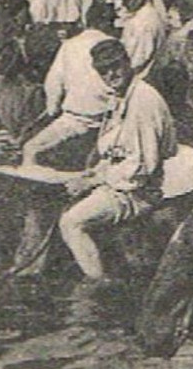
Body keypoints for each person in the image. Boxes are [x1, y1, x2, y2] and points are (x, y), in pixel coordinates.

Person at [57, 38, 178, 281]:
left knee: (71, 222)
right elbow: (116, 150)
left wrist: (94, 181)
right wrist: (92, 173)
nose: (111, 74)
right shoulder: (120, 97)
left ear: (128, 62)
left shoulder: (144, 101)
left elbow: (142, 167)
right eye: (103, 70)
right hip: (122, 179)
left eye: (115, 66)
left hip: (141, 190)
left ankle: (99, 282)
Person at [19, 25, 115, 167]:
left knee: (30, 149)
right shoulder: (116, 44)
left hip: (76, 117)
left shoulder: (70, 45)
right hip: (108, 118)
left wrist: (52, 110)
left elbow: (53, 83)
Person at [116, 0, 169, 79]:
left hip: (141, 79)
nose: (123, 4)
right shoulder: (145, 14)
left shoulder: (143, 22)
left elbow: (136, 60)